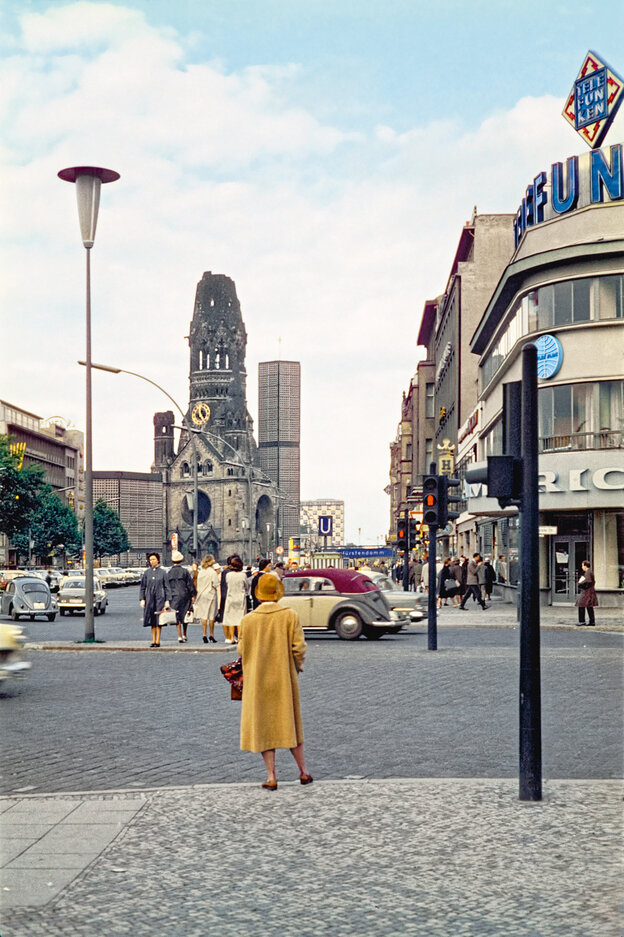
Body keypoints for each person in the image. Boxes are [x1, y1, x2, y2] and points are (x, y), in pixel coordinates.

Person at [237, 572, 311, 790]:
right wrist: (297, 666)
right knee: (291, 726)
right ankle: (303, 772)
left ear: (258, 595)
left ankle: (271, 776)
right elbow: (299, 647)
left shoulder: (248, 620)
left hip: (257, 680)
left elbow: (242, 649)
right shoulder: (290, 616)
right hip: (284, 678)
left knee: (264, 728)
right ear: (278, 594)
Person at [140, 552, 172, 648]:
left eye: (154, 559)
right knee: (151, 619)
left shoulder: (163, 573)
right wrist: (142, 599)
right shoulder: (146, 573)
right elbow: (142, 587)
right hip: (149, 598)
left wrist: (167, 600)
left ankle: (158, 640)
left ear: (158, 560)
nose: (152, 561)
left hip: (159, 598)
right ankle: (153, 640)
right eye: (150, 560)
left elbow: (167, 587)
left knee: (159, 619)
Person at [167, 550, 196, 643]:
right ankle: (184, 633)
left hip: (173, 596)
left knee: (177, 615)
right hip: (185, 595)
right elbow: (190, 584)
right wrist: (193, 595)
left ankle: (179, 635)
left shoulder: (169, 572)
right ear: (181, 560)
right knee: (185, 614)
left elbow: (166, 586)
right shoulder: (185, 571)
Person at [221, 555, 249, 644]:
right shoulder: (243, 575)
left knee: (231, 618)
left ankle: (232, 637)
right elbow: (247, 586)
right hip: (240, 598)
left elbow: (227, 584)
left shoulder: (228, 575)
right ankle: (240, 638)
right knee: (240, 619)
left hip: (230, 598)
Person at [194, 555, 220, 643]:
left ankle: (204, 634)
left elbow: (198, 584)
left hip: (201, 595)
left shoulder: (201, 572)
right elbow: (216, 584)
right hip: (211, 595)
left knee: (204, 616)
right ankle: (212, 634)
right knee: (211, 616)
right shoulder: (212, 572)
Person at [576, 560, 598, 626]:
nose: (582, 567)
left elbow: (587, 582)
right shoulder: (589, 572)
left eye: (582, 565)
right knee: (589, 606)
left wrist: (580, 583)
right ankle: (592, 621)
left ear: (585, 566)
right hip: (590, 591)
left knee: (581, 604)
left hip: (587, 592)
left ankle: (582, 621)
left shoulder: (588, 572)